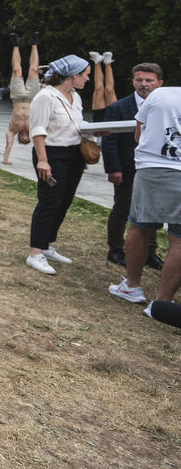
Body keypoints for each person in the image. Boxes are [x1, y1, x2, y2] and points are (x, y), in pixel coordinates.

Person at [106, 85, 181, 308]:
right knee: (179, 239)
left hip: (153, 168)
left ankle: (132, 286)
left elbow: (139, 133)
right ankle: (162, 302)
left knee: (139, 228)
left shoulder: (160, 94)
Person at [25, 54, 91, 275]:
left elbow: (76, 124)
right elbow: (37, 130)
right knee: (49, 202)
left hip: (74, 155)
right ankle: (35, 253)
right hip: (52, 154)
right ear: (73, 75)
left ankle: (47, 244)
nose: (87, 79)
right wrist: (43, 160)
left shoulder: (75, 96)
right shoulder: (46, 97)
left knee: (64, 201)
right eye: (85, 75)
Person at [101, 63, 165, 268]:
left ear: (159, 83)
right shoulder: (118, 108)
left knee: (153, 211)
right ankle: (115, 249)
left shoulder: (167, 108)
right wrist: (113, 168)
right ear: (133, 81)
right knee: (122, 208)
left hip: (155, 168)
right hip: (127, 169)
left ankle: (149, 252)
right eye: (139, 79)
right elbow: (110, 141)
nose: (143, 84)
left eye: (149, 80)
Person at [2, 32, 42, 165]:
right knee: (34, 69)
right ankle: (34, 44)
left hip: (17, 98)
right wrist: (42, 160)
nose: (24, 135)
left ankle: (16, 44)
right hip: (32, 97)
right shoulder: (34, 129)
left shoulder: (13, 129)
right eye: (26, 137)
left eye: (22, 137)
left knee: (16, 69)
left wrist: (5, 159)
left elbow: (9, 143)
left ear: (18, 136)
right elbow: (42, 143)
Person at [89, 51, 117, 115]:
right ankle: (107, 63)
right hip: (113, 118)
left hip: (100, 118)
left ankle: (97, 63)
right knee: (109, 90)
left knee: (100, 89)